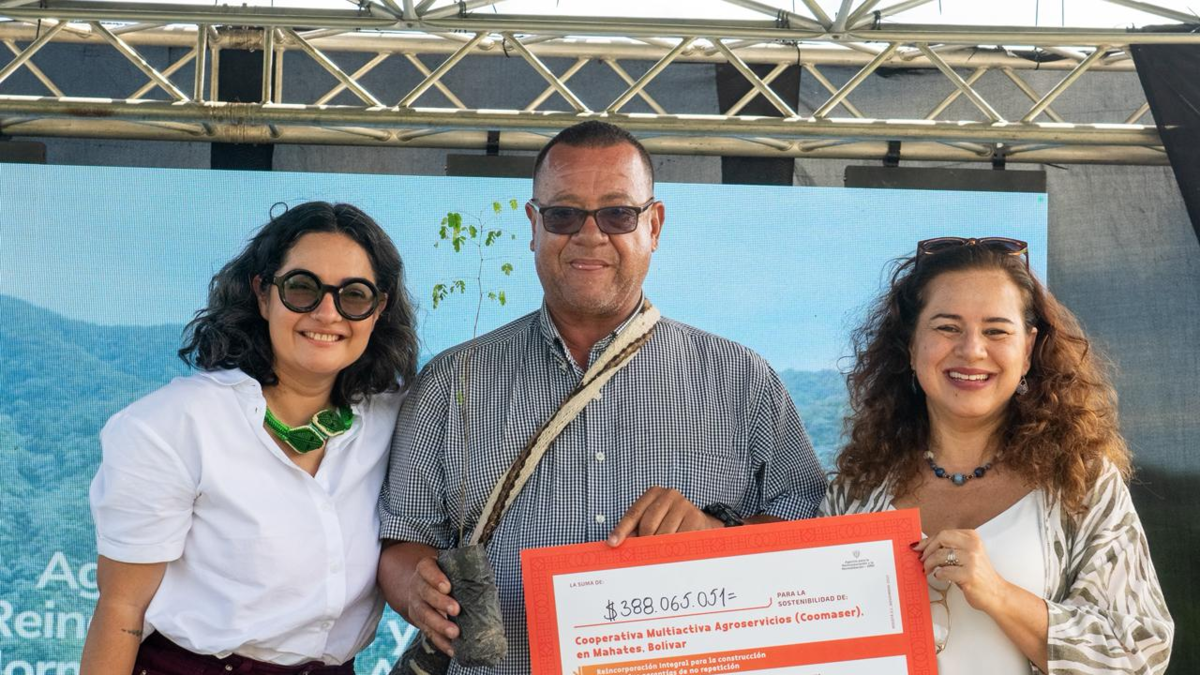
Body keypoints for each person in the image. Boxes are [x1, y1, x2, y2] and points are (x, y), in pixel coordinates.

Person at [377, 120, 827, 674]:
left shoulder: (742, 379)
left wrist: (711, 537)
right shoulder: (452, 382)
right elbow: (401, 541)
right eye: (564, 215)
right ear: (533, 225)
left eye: (617, 214)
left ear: (654, 225)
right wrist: (416, 589)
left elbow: (812, 544)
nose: (589, 235)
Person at [81, 202, 418, 675]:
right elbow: (122, 608)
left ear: (378, 310)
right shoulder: (173, 425)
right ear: (263, 294)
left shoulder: (398, 419)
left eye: (354, 295)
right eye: (302, 288)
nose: (327, 313)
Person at [821, 237, 1173, 674]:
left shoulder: (1080, 482)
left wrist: (997, 593)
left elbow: (1137, 653)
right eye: (947, 328)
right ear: (911, 345)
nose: (972, 349)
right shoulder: (857, 490)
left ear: (1027, 350)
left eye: (996, 331)